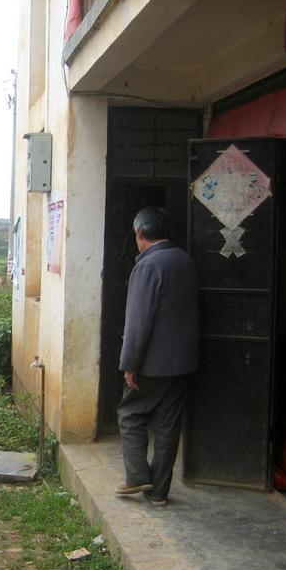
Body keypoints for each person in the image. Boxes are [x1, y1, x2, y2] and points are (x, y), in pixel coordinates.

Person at [116, 207, 198, 507]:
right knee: (167, 425)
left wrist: (130, 364)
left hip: (153, 363)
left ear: (140, 233)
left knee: (130, 414)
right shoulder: (184, 259)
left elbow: (139, 320)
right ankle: (159, 492)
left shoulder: (148, 266)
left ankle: (137, 476)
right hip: (183, 361)